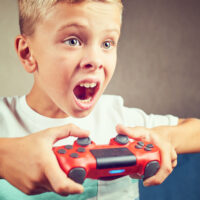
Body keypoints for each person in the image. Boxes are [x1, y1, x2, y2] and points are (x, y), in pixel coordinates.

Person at [0, 0, 200, 200]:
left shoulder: (121, 121)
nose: (96, 60)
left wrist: (164, 137)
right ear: (27, 53)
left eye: (107, 43)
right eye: (73, 41)